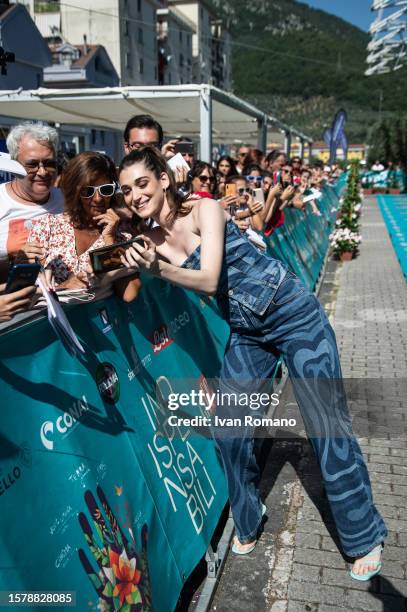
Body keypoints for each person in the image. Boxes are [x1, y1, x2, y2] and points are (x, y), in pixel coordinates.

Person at [118, 147, 387, 579]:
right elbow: (117, 280)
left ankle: (363, 533)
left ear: (164, 180)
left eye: (143, 184)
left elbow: (207, 278)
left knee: (327, 426)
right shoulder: (147, 241)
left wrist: (158, 269)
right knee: (228, 430)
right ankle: (249, 515)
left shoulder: (205, 209)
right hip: (248, 332)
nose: (136, 195)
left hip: (294, 315)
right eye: (127, 190)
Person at [28, 152, 141, 302]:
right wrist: (66, 287)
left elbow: (129, 294)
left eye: (105, 190)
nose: (98, 198)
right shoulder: (47, 227)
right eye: (88, 191)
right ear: (75, 192)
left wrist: (109, 240)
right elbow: (28, 290)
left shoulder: (122, 237)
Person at [0, 122, 64, 281]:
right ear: (13, 164)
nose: (42, 172)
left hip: (68, 302)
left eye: (49, 164)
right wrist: (14, 262)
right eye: (32, 165)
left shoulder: (68, 200)